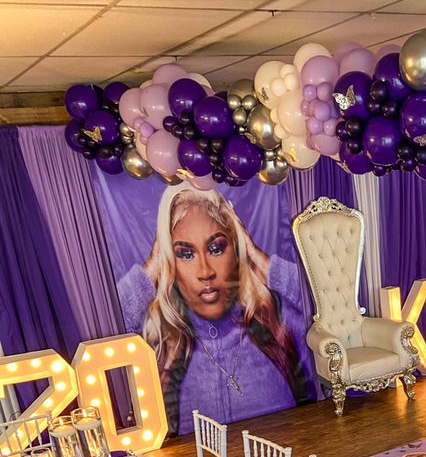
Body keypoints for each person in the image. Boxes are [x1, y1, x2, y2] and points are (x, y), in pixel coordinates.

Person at [118, 183, 312, 436]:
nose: (205, 271)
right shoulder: (158, 339)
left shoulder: (279, 319)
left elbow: (327, 303)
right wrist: (153, 268)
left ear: (236, 247)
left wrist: (257, 258)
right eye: (185, 254)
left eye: (216, 248)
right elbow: (102, 331)